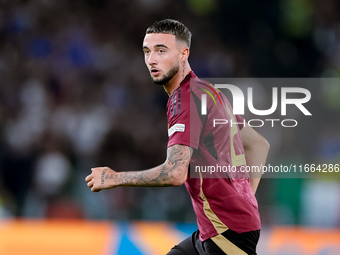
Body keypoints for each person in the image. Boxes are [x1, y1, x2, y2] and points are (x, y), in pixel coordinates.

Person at [85, 19, 270, 255]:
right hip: (216, 230)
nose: (152, 59)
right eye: (147, 51)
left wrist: (115, 177)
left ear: (184, 54)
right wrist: (242, 202)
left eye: (161, 50)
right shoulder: (208, 92)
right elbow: (259, 145)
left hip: (228, 236)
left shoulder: (186, 99)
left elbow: (175, 173)